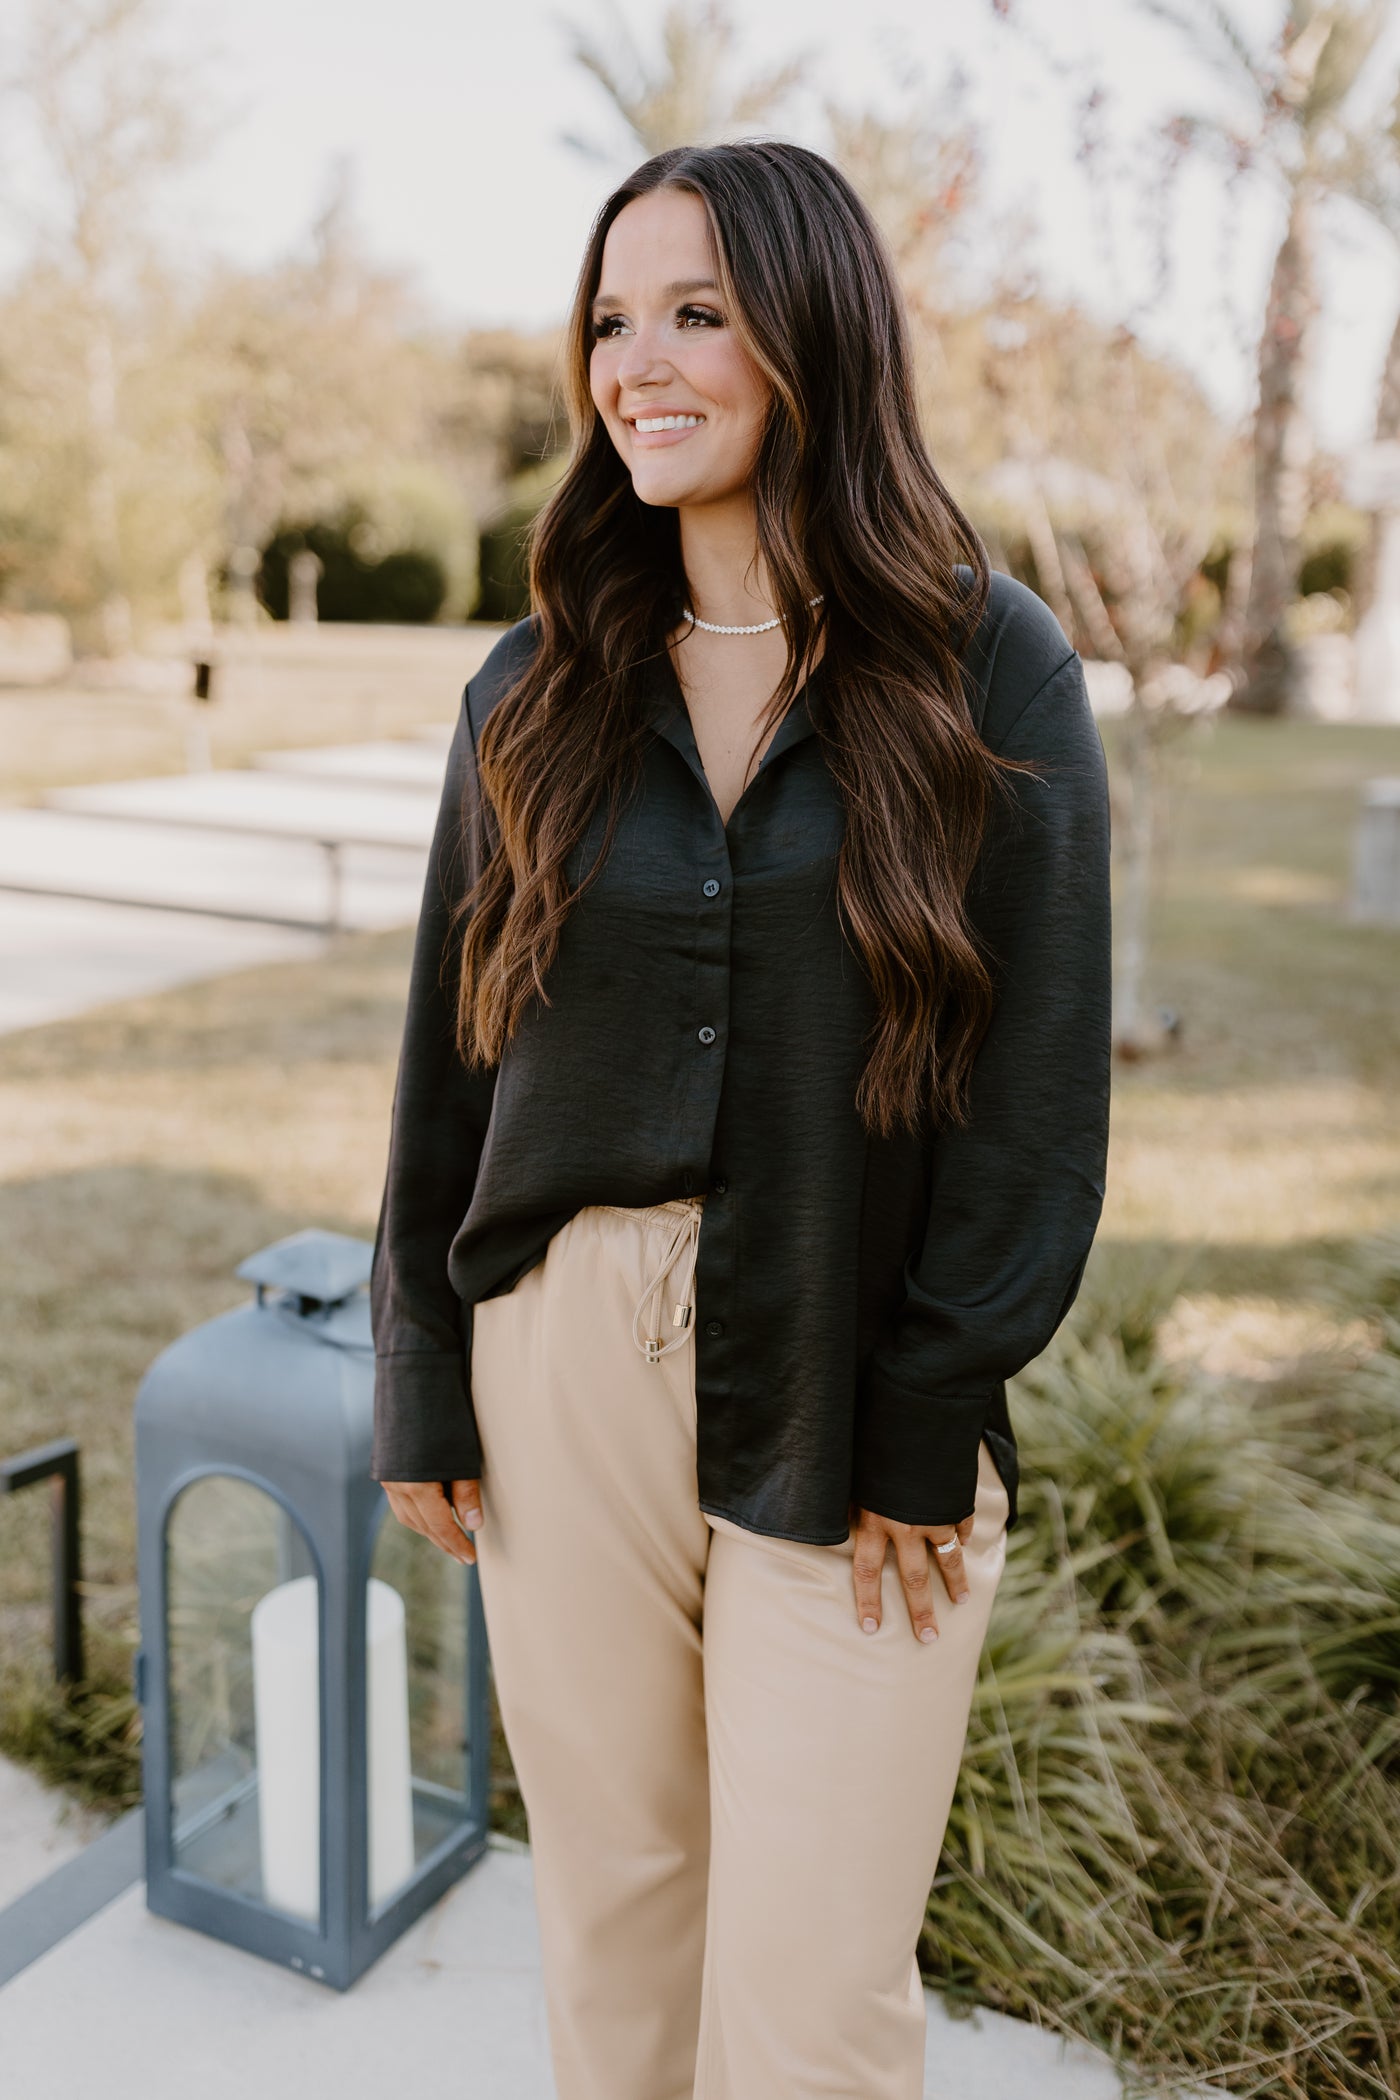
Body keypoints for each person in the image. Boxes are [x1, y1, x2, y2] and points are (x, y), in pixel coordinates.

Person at [370, 138, 1112, 2100]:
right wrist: (422, 1377)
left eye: (697, 310)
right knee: (614, 1924)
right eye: (612, 319)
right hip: (558, 1379)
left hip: (850, 1372)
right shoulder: (527, 690)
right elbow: (454, 1065)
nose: (639, 361)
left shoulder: (986, 666)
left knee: (810, 1995)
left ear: (813, 336)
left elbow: (1033, 1098)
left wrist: (929, 1412)